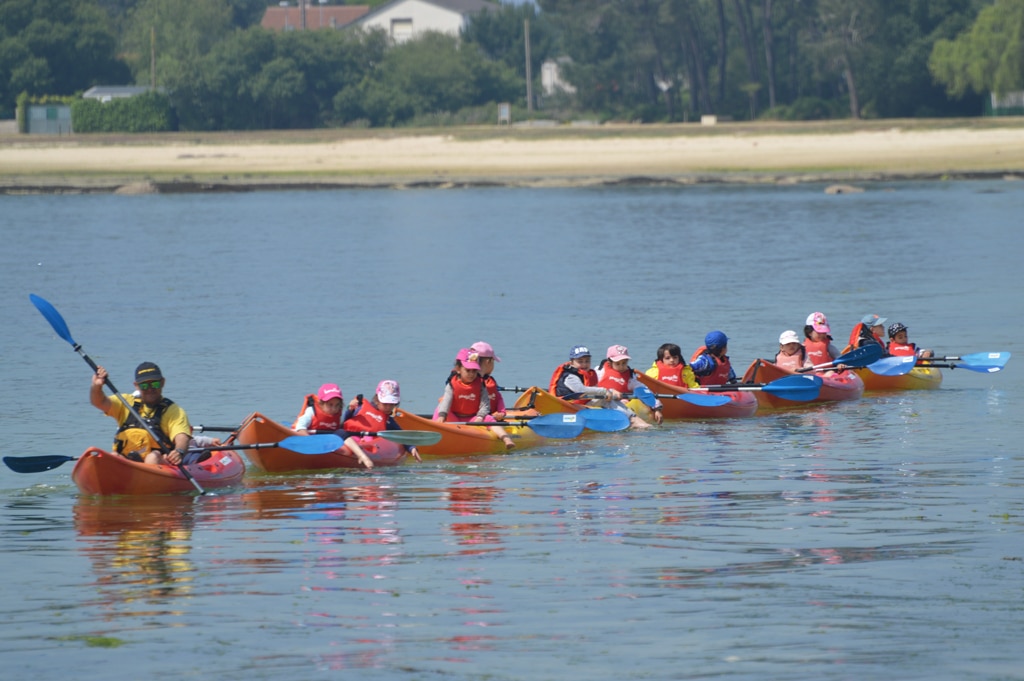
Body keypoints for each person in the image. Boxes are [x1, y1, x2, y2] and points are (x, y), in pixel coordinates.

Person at [89, 361, 192, 466]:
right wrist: (97, 386)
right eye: (144, 385)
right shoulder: (125, 402)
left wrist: (179, 451)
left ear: (162, 383)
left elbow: (181, 436)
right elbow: (99, 402)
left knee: (152, 457)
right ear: (136, 386)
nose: (150, 389)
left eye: (155, 384)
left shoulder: (174, 411)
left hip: (158, 462)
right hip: (127, 462)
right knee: (113, 456)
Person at [435, 348, 514, 448]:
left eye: (474, 371)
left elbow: (485, 404)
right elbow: (446, 401)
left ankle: (506, 439)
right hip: (454, 416)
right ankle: (435, 432)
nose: (471, 374)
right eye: (468, 370)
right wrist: (442, 416)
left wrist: (480, 417)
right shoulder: (452, 384)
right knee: (439, 410)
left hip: (472, 417)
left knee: (489, 418)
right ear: (458, 370)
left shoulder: (480, 384)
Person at [342, 379, 421, 462]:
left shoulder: (388, 421)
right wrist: (350, 409)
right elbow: (346, 421)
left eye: (391, 404)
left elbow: (400, 435)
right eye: (385, 404)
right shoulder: (361, 407)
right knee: (350, 438)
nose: (388, 407)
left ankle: (360, 453)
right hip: (351, 438)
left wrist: (411, 448)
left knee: (368, 439)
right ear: (377, 400)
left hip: (369, 443)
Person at [597, 344, 662, 427]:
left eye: (624, 363)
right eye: (617, 363)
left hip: (621, 403)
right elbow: (590, 386)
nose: (621, 366)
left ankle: (631, 420)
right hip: (601, 401)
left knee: (626, 400)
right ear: (610, 363)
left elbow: (643, 391)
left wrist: (656, 409)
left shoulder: (630, 378)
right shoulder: (600, 372)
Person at [549, 345, 615, 403]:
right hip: (568, 404)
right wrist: (604, 391)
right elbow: (581, 390)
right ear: (571, 363)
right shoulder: (570, 376)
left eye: (587, 361)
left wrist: (609, 392)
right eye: (580, 361)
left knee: (609, 395)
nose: (584, 364)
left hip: (581, 404)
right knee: (605, 399)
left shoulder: (588, 374)